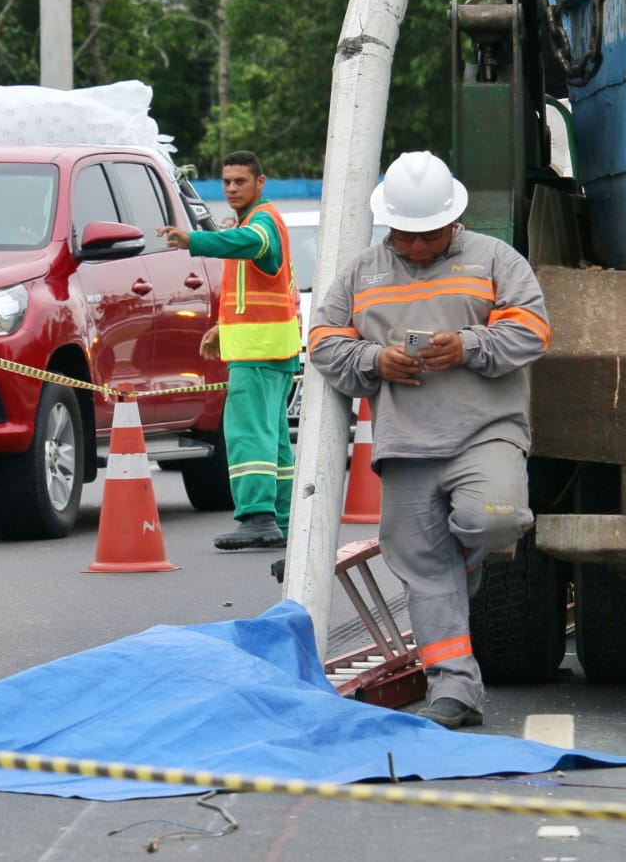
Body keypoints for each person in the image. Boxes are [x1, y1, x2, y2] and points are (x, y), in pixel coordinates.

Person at [307, 151, 548, 730]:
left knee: (495, 518)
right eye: (406, 235)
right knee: (426, 570)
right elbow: (321, 339)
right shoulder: (363, 272)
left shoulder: (495, 259)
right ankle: (454, 691)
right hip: (406, 443)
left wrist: (468, 346)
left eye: (429, 235)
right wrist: (374, 359)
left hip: (484, 433)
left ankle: (459, 564)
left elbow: (532, 330)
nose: (416, 247)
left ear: (454, 219)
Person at [157, 150, 300, 550]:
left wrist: (195, 239)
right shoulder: (255, 220)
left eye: (241, 181)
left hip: (258, 353)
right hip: (270, 349)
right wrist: (223, 326)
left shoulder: (262, 222)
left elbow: (251, 244)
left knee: (247, 436)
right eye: (227, 182)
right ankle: (284, 521)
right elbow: (261, 287)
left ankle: (257, 516)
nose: (233, 188)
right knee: (273, 441)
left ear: (261, 183)